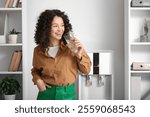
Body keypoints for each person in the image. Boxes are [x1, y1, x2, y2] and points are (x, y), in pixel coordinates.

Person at [31, 9, 91, 100]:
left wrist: (79, 55)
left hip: (68, 95)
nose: (60, 29)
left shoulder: (72, 46)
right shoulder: (38, 50)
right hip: (45, 94)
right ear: (46, 28)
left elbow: (86, 70)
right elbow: (35, 70)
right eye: (55, 26)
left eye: (62, 25)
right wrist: (38, 80)